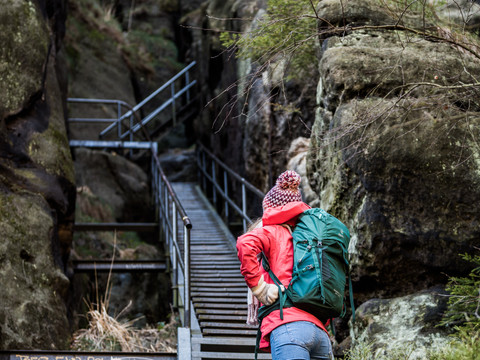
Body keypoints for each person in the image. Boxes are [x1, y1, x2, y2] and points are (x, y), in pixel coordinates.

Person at [236, 170, 333, 360]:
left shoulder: (272, 232)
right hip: (320, 334)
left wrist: (260, 288)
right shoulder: (313, 240)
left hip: (288, 326)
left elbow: (245, 244)